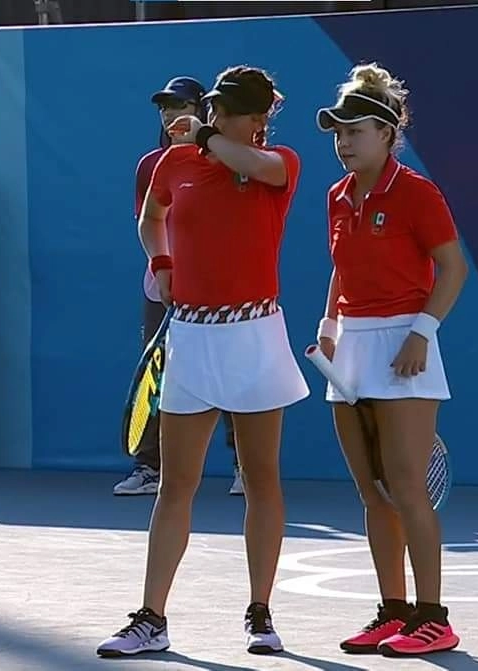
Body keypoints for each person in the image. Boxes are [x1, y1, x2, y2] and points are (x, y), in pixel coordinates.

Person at [97, 65, 308, 657]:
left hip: (255, 334)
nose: (216, 116)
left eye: (228, 110)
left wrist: (206, 137)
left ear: (258, 119)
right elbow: (151, 219)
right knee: (176, 484)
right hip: (192, 335)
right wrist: (162, 263)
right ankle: (151, 619)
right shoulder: (175, 163)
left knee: (261, 480)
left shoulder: (280, 163)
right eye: (214, 107)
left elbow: (256, 165)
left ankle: (260, 614)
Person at [313, 63, 468, 657]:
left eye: (355, 132)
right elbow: (342, 268)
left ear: (386, 133)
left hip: (405, 346)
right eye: (338, 133)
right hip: (350, 349)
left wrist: (421, 332)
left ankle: (434, 619)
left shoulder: (417, 192)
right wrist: (330, 324)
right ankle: (394, 612)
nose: (344, 142)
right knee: (372, 493)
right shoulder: (336, 196)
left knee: (406, 487)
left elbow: (452, 268)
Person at [113, 75, 244, 497]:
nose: (171, 115)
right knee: (158, 378)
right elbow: (149, 222)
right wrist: (164, 269)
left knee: (228, 374)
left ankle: (243, 466)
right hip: (164, 289)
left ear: (202, 112)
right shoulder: (151, 165)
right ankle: (149, 468)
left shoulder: (224, 161)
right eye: (165, 108)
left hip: (218, 290)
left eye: (181, 106)